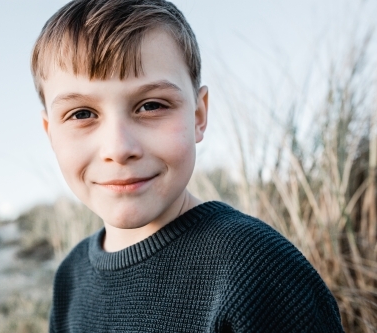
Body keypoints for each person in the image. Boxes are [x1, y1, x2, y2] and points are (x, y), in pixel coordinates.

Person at [30, 0, 344, 332]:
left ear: (198, 115)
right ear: (51, 133)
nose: (119, 149)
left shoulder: (258, 269)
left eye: (151, 105)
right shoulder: (70, 277)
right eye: (81, 114)